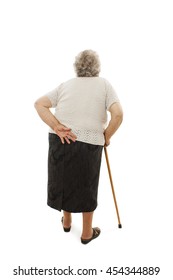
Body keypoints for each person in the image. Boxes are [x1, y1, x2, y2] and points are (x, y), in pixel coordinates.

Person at [34, 50, 123, 244]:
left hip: (61, 140)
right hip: (90, 142)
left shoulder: (66, 85)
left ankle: (66, 222)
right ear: (97, 67)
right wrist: (106, 136)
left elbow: (39, 104)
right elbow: (118, 115)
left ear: (77, 66)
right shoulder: (104, 84)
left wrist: (57, 127)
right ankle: (86, 233)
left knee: (64, 178)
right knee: (86, 184)